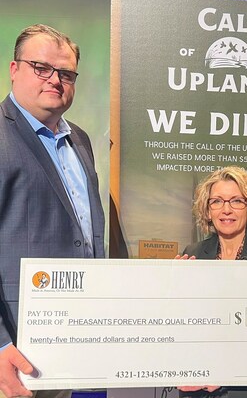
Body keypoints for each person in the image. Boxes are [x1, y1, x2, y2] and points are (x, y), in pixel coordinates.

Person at [0, 24, 105, 398]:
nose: (55, 80)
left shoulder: (80, 140)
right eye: (41, 68)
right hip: (12, 350)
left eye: (65, 73)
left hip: (66, 344)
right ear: (14, 69)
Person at [177, 166, 247, 398]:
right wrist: (174, 290)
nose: (226, 209)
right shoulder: (192, 254)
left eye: (236, 201)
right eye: (217, 201)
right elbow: (184, 324)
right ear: (207, 211)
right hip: (198, 385)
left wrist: (227, 371)